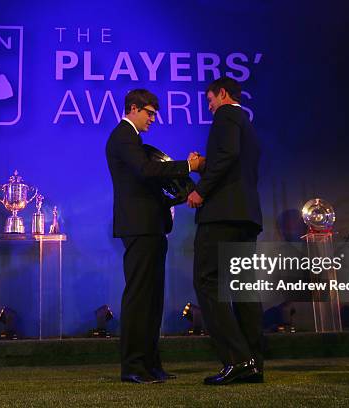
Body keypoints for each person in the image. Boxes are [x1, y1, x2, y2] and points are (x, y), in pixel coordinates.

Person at [106, 89, 203, 384]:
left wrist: (179, 196)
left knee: (152, 299)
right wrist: (189, 166)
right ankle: (133, 367)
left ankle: (150, 364)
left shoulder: (132, 138)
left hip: (151, 226)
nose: (152, 119)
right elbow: (147, 170)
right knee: (139, 298)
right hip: (139, 227)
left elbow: (148, 184)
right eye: (149, 113)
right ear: (132, 108)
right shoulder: (123, 135)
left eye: (154, 114)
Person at [187, 77, 264, 385]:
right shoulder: (246, 122)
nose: (209, 107)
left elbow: (228, 155)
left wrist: (201, 189)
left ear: (223, 94)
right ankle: (254, 364)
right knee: (244, 289)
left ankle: (237, 359)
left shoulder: (226, 114)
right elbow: (233, 161)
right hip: (245, 215)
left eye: (210, 100)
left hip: (221, 216)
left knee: (207, 282)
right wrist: (206, 164)